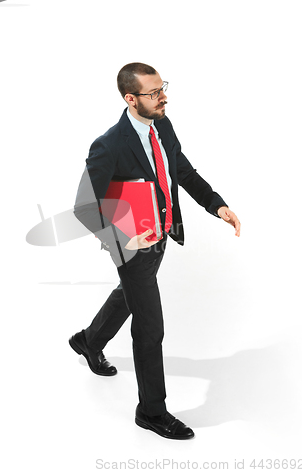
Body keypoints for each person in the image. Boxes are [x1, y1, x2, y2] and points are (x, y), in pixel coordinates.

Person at [70, 62, 241, 440]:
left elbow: (181, 169)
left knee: (129, 294)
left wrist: (215, 203)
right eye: (153, 93)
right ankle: (150, 411)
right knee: (150, 329)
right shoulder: (109, 144)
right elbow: (85, 206)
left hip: (161, 235)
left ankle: (89, 340)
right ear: (131, 99)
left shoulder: (161, 124)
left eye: (163, 87)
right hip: (130, 244)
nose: (164, 97)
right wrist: (126, 239)